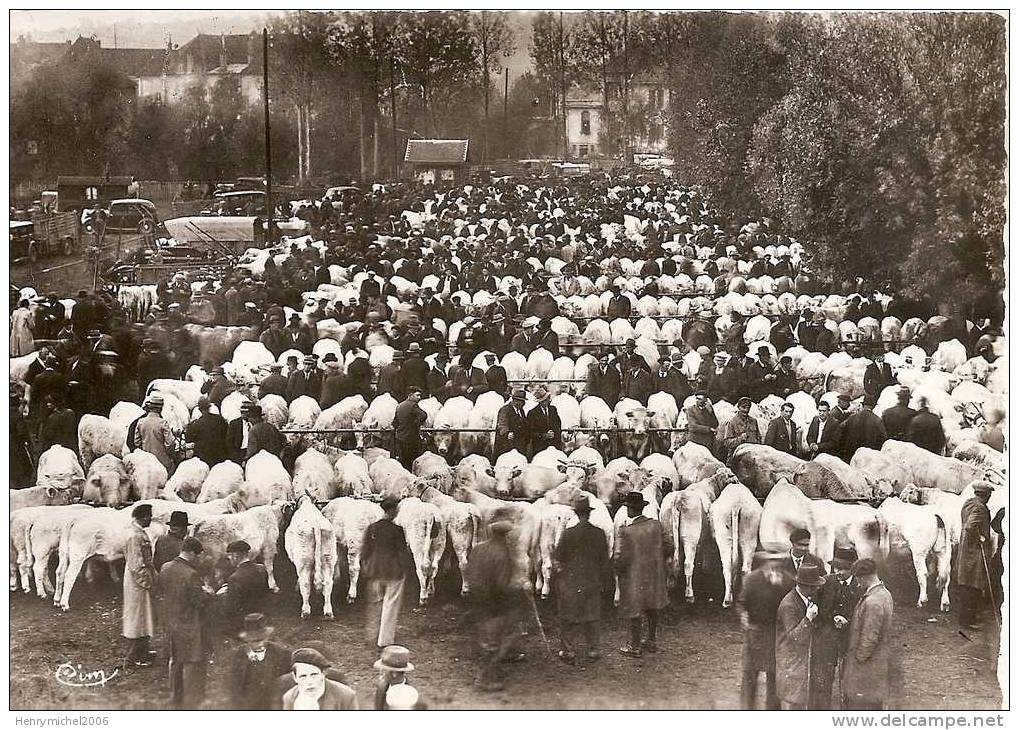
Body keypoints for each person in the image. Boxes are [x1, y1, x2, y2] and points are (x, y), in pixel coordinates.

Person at [465, 516, 528, 692]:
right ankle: (484, 679)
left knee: (487, 636)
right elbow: (502, 585)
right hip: (495, 604)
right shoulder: (502, 554)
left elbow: (468, 572)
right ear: (505, 536)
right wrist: (519, 586)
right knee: (498, 639)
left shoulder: (478, 549)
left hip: (478, 600)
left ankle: (500, 661)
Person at [553, 494, 610, 665]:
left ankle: (568, 650)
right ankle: (593, 649)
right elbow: (604, 560)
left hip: (571, 580)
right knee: (592, 615)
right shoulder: (599, 534)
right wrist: (602, 580)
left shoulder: (568, 534)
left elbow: (558, 557)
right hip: (592, 579)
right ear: (589, 513)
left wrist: (560, 575)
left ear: (577, 514)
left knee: (568, 616)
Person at [158, 536, 214, 709]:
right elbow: (198, 601)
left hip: (171, 622)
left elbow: (162, 591)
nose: (198, 559)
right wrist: (209, 593)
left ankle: (175, 698)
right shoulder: (191, 574)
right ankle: (192, 703)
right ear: (190, 553)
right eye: (197, 556)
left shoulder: (165, 567)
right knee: (193, 663)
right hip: (190, 624)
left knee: (175, 661)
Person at [738, 552, 795, 710]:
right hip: (755, 632)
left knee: (775, 677)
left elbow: (793, 606)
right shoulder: (752, 579)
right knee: (750, 674)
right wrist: (744, 618)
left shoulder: (788, 580)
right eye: (771, 560)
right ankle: (746, 710)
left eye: (778, 560)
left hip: (777, 634)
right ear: (764, 561)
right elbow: (742, 602)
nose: (774, 564)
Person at [615, 491, 669, 657]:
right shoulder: (656, 525)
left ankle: (634, 646)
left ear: (630, 510)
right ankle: (651, 640)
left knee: (634, 609)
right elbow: (669, 546)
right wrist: (658, 561)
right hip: (654, 574)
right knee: (652, 607)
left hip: (634, 576)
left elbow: (621, 558)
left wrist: (617, 569)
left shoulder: (626, 531)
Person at [361, 497, 415, 649]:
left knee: (375, 604)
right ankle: (384, 640)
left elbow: (365, 550)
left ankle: (371, 636)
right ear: (392, 510)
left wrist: (366, 565)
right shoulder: (397, 530)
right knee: (390, 605)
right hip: (393, 571)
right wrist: (406, 570)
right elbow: (402, 553)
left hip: (375, 570)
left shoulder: (372, 528)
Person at [841, 559, 895, 710]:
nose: (858, 584)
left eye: (858, 580)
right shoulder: (884, 594)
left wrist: (858, 659)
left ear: (863, 577)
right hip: (877, 661)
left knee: (862, 707)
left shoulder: (873, 601)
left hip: (867, 666)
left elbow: (870, 637)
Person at [810, 547, 859, 710]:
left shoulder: (860, 586)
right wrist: (829, 618)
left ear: (853, 568)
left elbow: (863, 612)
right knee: (822, 679)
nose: (838, 571)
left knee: (849, 680)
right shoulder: (825, 582)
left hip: (849, 639)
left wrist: (848, 620)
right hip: (826, 637)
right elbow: (814, 607)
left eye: (843, 568)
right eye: (835, 567)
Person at [775, 564, 826, 710]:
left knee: (802, 700)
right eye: (813, 586)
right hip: (791, 661)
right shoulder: (789, 605)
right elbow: (794, 637)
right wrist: (808, 619)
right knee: (794, 702)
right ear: (803, 585)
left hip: (800, 660)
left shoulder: (805, 598)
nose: (816, 589)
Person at [228, 613, 294, 711]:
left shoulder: (281, 653)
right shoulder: (240, 655)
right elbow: (236, 686)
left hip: (275, 703)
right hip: (250, 704)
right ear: (247, 640)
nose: (260, 644)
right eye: (254, 641)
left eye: (263, 639)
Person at [956, 482, 995, 630]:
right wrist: (981, 538)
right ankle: (967, 621)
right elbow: (970, 526)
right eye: (989, 495)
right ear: (985, 495)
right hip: (975, 552)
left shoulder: (968, 503)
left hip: (966, 549)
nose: (989, 498)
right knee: (973, 585)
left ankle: (966, 617)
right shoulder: (980, 508)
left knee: (967, 584)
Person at [123, 503, 158, 667]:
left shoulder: (137, 533)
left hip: (139, 578)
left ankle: (142, 650)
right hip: (137, 581)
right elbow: (136, 564)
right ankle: (134, 656)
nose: (150, 519)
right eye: (149, 516)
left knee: (144, 616)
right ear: (143, 517)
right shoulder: (134, 536)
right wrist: (148, 582)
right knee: (137, 617)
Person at [218, 540, 270, 632]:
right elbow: (265, 593)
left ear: (235, 556)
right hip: (260, 618)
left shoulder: (234, 578)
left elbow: (231, 608)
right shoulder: (261, 569)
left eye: (229, 556)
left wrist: (222, 594)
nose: (229, 559)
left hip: (244, 624)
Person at [283, 648, 358, 710]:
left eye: (314, 675)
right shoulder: (290, 698)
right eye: (303, 676)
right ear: (295, 677)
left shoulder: (346, 696)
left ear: (323, 674)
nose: (309, 682)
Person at [373, 645, 427, 710]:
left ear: (394, 674)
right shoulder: (382, 687)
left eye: (384, 670)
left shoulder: (411, 696)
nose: (380, 672)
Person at [837, 394, 887, 461]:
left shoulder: (852, 417)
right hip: (868, 457)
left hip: (851, 454)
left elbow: (840, 430)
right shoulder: (877, 420)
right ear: (874, 406)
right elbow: (883, 438)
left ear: (863, 405)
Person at [185, 396, 229, 466]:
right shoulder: (219, 419)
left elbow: (188, 439)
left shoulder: (196, 424)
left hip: (203, 459)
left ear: (199, 409)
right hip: (220, 456)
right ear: (209, 407)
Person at [717, 396, 762, 461]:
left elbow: (759, 438)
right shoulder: (732, 423)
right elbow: (727, 443)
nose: (746, 410)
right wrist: (740, 439)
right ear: (738, 407)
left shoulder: (753, 421)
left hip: (753, 455)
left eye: (748, 407)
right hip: (738, 458)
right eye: (743, 407)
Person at [392, 387, 427, 470]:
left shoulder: (399, 406)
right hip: (411, 438)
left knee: (403, 461)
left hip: (400, 438)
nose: (419, 397)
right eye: (417, 395)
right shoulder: (413, 405)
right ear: (410, 395)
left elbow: (395, 423)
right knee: (412, 461)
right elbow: (423, 415)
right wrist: (415, 424)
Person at [524, 386, 561, 458]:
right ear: (539, 402)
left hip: (553, 445)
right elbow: (530, 432)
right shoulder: (532, 413)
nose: (546, 402)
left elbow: (558, 424)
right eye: (543, 401)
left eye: (547, 399)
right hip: (540, 446)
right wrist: (544, 435)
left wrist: (554, 433)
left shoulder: (553, 409)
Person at [494, 389, 529, 457]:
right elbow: (502, 424)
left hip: (518, 445)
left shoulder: (521, 411)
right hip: (506, 445)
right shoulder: (505, 410)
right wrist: (507, 433)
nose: (520, 403)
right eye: (518, 400)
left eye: (522, 401)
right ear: (513, 400)